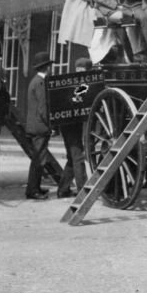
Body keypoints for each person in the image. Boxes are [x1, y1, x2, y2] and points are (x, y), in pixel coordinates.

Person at [57, 57, 91, 198]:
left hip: (68, 124)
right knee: (78, 156)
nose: (79, 72)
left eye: (82, 70)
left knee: (72, 157)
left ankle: (63, 189)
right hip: (71, 124)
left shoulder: (70, 83)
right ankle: (82, 190)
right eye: (79, 70)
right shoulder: (81, 84)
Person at [24, 51, 53, 200]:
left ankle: (34, 188)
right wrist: (51, 126)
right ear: (47, 67)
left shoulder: (34, 81)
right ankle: (33, 190)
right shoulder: (41, 83)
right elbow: (43, 109)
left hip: (34, 126)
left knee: (37, 158)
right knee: (39, 160)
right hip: (40, 127)